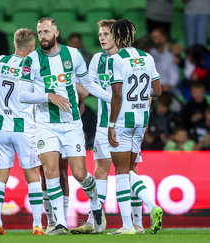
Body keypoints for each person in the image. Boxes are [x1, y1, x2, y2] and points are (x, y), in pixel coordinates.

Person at [19, 17, 112, 235]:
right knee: (50, 171)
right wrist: (48, 96)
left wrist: (111, 98)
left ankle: (96, 205)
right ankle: (59, 223)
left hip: (71, 124)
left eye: (46, 32)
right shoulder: (31, 60)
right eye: (39, 32)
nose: (42, 36)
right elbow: (23, 94)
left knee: (80, 174)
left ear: (56, 33)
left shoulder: (73, 55)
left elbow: (87, 84)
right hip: (44, 124)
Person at [70, 19, 145, 235]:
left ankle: (137, 223)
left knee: (130, 171)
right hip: (105, 125)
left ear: (116, 36)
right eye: (99, 34)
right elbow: (89, 84)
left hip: (128, 123)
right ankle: (95, 221)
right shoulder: (96, 59)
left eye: (105, 34)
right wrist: (111, 96)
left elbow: (145, 88)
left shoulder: (129, 59)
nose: (101, 37)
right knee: (100, 170)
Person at [108, 19, 163, 235]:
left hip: (123, 120)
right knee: (130, 169)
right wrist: (140, 95)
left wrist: (111, 125)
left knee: (121, 172)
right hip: (141, 119)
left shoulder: (116, 59)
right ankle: (150, 208)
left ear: (115, 36)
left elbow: (118, 94)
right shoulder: (147, 57)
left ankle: (128, 225)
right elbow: (157, 90)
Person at [0, 28, 45, 236]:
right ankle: (37, 225)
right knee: (32, 175)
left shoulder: (1, 61)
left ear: (14, 43)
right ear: (32, 48)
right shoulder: (31, 67)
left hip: (1, 126)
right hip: (23, 126)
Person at [149, 28, 180, 97]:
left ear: (163, 38)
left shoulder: (171, 54)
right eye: (152, 38)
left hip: (167, 87)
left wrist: (169, 85)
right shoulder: (148, 54)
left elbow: (174, 73)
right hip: (151, 88)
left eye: (156, 37)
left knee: (178, 95)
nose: (153, 40)